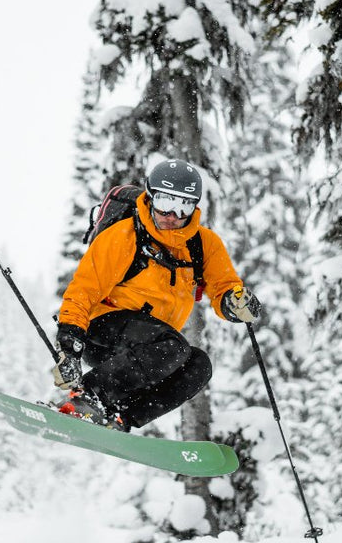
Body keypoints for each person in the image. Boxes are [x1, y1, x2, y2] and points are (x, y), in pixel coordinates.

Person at [52, 158, 262, 432]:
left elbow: (224, 287)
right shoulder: (124, 236)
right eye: (165, 202)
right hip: (102, 331)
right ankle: (88, 397)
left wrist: (236, 303)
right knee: (173, 345)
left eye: (183, 206)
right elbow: (83, 291)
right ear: (150, 199)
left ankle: (118, 418)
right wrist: (69, 348)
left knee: (198, 365)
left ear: (194, 207)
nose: (172, 215)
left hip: (151, 349)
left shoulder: (204, 245)